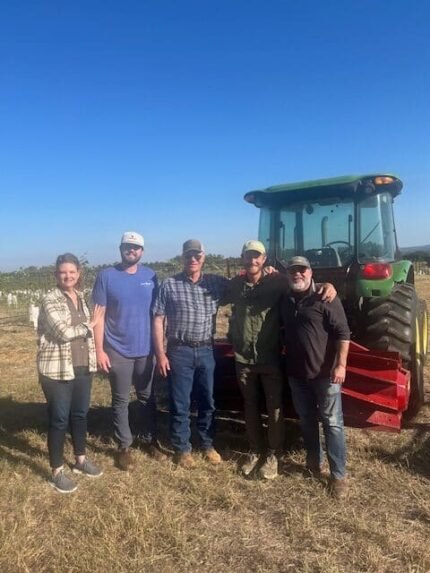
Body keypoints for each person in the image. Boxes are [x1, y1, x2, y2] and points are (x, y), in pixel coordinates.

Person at [223, 241, 336, 480]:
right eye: (248, 256)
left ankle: (274, 454)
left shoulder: (277, 282)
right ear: (242, 258)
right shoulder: (234, 285)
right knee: (250, 406)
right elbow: (215, 293)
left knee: (275, 408)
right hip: (243, 358)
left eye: (257, 256)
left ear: (264, 260)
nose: (252, 260)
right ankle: (255, 450)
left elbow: (304, 283)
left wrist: (328, 285)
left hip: (270, 356)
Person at [152, 239, 229, 468]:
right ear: (182, 258)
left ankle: (207, 444)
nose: (193, 259)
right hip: (179, 350)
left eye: (197, 255)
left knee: (208, 400)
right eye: (188, 256)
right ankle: (182, 448)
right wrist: (160, 354)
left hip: (206, 349)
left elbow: (244, 287)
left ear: (203, 257)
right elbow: (158, 318)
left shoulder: (216, 283)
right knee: (180, 401)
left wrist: (271, 274)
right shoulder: (169, 284)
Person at [92, 231, 164, 471]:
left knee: (146, 397)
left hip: (146, 350)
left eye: (135, 247)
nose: (131, 250)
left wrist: (160, 348)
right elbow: (98, 317)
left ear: (142, 251)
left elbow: (158, 315)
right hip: (117, 349)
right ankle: (124, 447)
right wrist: (99, 349)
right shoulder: (106, 276)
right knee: (121, 400)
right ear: (120, 248)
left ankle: (149, 440)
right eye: (127, 246)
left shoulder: (151, 276)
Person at [281, 256, 350, 497]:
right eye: (293, 271)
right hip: (297, 375)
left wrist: (340, 365)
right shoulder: (286, 298)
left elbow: (343, 332)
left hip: (325, 374)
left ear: (311, 272)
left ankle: (338, 475)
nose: (297, 274)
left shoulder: (325, 296)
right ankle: (313, 463)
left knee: (332, 423)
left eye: (302, 270)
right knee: (307, 420)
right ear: (287, 274)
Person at [37, 253, 103, 493]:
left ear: (78, 274)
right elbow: (62, 331)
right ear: (56, 275)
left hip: (82, 366)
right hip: (57, 370)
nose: (68, 276)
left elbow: (86, 337)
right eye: (63, 272)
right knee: (59, 419)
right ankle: (56, 470)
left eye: (72, 272)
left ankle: (80, 460)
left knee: (80, 415)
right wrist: (90, 325)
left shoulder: (81, 298)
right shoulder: (50, 299)